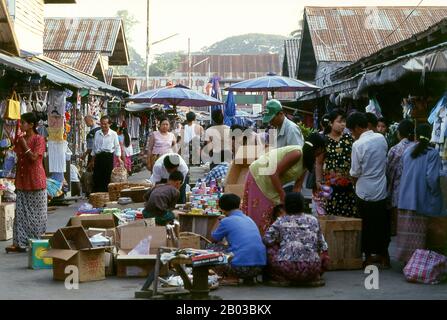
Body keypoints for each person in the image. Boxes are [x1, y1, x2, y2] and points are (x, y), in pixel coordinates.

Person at [242, 133, 326, 234]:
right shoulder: (297, 153)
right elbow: (273, 172)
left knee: (272, 217)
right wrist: (282, 195)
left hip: (273, 183)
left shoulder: (307, 162)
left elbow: (297, 187)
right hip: (260, 177)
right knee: (260, 217)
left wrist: (296, 208)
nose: (323, 153)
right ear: (318, 148)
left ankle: (269, 245)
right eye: (323, 150)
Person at [347, 112, 390, 268]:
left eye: (351, 131)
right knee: (381, 225)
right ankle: (384, 255)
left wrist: (352, 180)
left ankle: (368, 256)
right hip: (381, 190)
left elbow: (355, 171)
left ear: (358, 128)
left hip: (364, 191)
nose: (351, 134)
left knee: (366, 225)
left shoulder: (358, 145)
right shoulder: (381, 139)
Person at [396, 124, 444, 263]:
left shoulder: (407, 151)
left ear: (415, 135)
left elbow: (401, 172)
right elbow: (432, 178)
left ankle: (406, 261)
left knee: (406, 234)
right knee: (419, 235)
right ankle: (416, 263)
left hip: (404, 199)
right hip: (421, 200)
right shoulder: (432, 153)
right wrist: (436, 194)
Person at [264, 193, 329, 286]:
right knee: (324, 255)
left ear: (285, 206)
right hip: (312, 268)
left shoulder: (280, 221)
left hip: (287, 268)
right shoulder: (313, 220)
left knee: (270, 248)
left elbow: (266, 240)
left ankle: (282, 277)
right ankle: (314, 276)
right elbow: (322, 245)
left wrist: (281, 241)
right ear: (303, 204)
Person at [6, 113, 47, 253]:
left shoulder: (39, 139)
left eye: (23, 123)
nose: (21, 125)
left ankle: (36, 241)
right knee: (21, 212)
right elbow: (16, 156)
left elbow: (34, 158)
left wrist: (25, 146)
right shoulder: (20, 139)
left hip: (36, 179)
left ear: (31, 125)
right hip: (22, 179)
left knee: (38, 214)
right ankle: (20, 243)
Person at [210, 194, 266, 284]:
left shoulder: (226, 221)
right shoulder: (249, 219)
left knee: (210, 248)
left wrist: (218, 220)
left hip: (240, 268)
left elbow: (212, 239)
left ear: (222, 208)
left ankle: (232, 276)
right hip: (259, 267)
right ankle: (247, 278)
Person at [315, 109, 357, 217]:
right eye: (339, 121)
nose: (343, 124)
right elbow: (319, 163)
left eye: (344, 121)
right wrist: (318, 181)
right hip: (331, 186)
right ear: (330, 123)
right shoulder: (324, 140)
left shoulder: (349, 138)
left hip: (348, 186)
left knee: (349, 216)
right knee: (332, 217)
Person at [386, 119, 415, 236]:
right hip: (413, 189)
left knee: (399, 225)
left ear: (398, 133)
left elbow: (389, 172)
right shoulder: (417, 147)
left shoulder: (395, 149)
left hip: (398, 190)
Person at [91, 116, 122, 193]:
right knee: (97, 176)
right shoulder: (97, 133)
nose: (103, 126)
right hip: (99, 157)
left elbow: (117, 146)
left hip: (108, 157)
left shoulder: (113, 134)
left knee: (107, 176)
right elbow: (94, 147)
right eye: (101, 124)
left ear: (110, 124)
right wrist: (92, 160)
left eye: (105, 124)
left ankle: (106, 194)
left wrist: (119, 158)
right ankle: (98, 194)